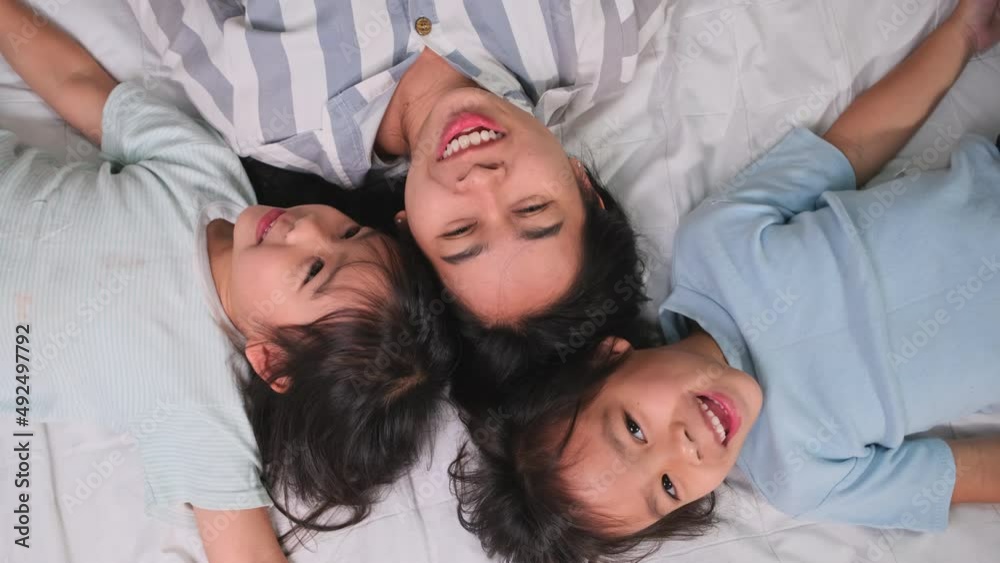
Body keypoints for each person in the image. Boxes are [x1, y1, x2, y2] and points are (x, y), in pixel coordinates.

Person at [449, 1, 1000, 561]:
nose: (682, 449)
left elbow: (853, 148)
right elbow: (964, 473)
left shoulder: (717, 249)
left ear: (607, 358)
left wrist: (961, 34)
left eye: (636, 429)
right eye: (666, 488)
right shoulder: (802, 477)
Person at [0, 2, 452, 562]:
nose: (310, 227)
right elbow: (77, 83)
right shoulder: (204, 171)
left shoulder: (200, 404)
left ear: (271, 363)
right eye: (350, 230)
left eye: (313, 271)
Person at [125, 0, 662, 330]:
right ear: (580, 182)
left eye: (459, 230)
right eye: (531, 206)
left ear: (408, 229)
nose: (481, 181)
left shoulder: (269, 116)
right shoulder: (602, 35)